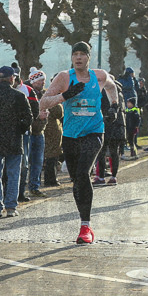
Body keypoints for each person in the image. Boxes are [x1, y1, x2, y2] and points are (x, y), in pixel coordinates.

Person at [39, 42, 117, 244]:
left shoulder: (99, 75)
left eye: (83, 54)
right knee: (77, 180)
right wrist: (66, 95)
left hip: (94, 131)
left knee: (83, 173)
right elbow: (43, 102)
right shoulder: (65, 77)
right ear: (72, 57)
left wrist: (114, 106)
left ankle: (85, 226)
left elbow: (111, 87)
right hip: (71, 135)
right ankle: (84, 220)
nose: (79, 58)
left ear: (89, 58)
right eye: (76, 54)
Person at [0, 66, 33, 217]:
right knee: (13, 174)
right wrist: (20, 129)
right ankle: (11, 207)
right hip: (14, 139)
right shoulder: (18, 96)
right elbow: (28, 118)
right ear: (11, 78)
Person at [25, 69, 48, 197]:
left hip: (40, 131)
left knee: (38, 161)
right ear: (34, 80)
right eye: (41, 81)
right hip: (29, 132)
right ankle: (23, 186)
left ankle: (34, 186)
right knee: (26, 162)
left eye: (44, 80)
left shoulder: (43, 94)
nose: (43, 83)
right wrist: (38, 116)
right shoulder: (27, 93)